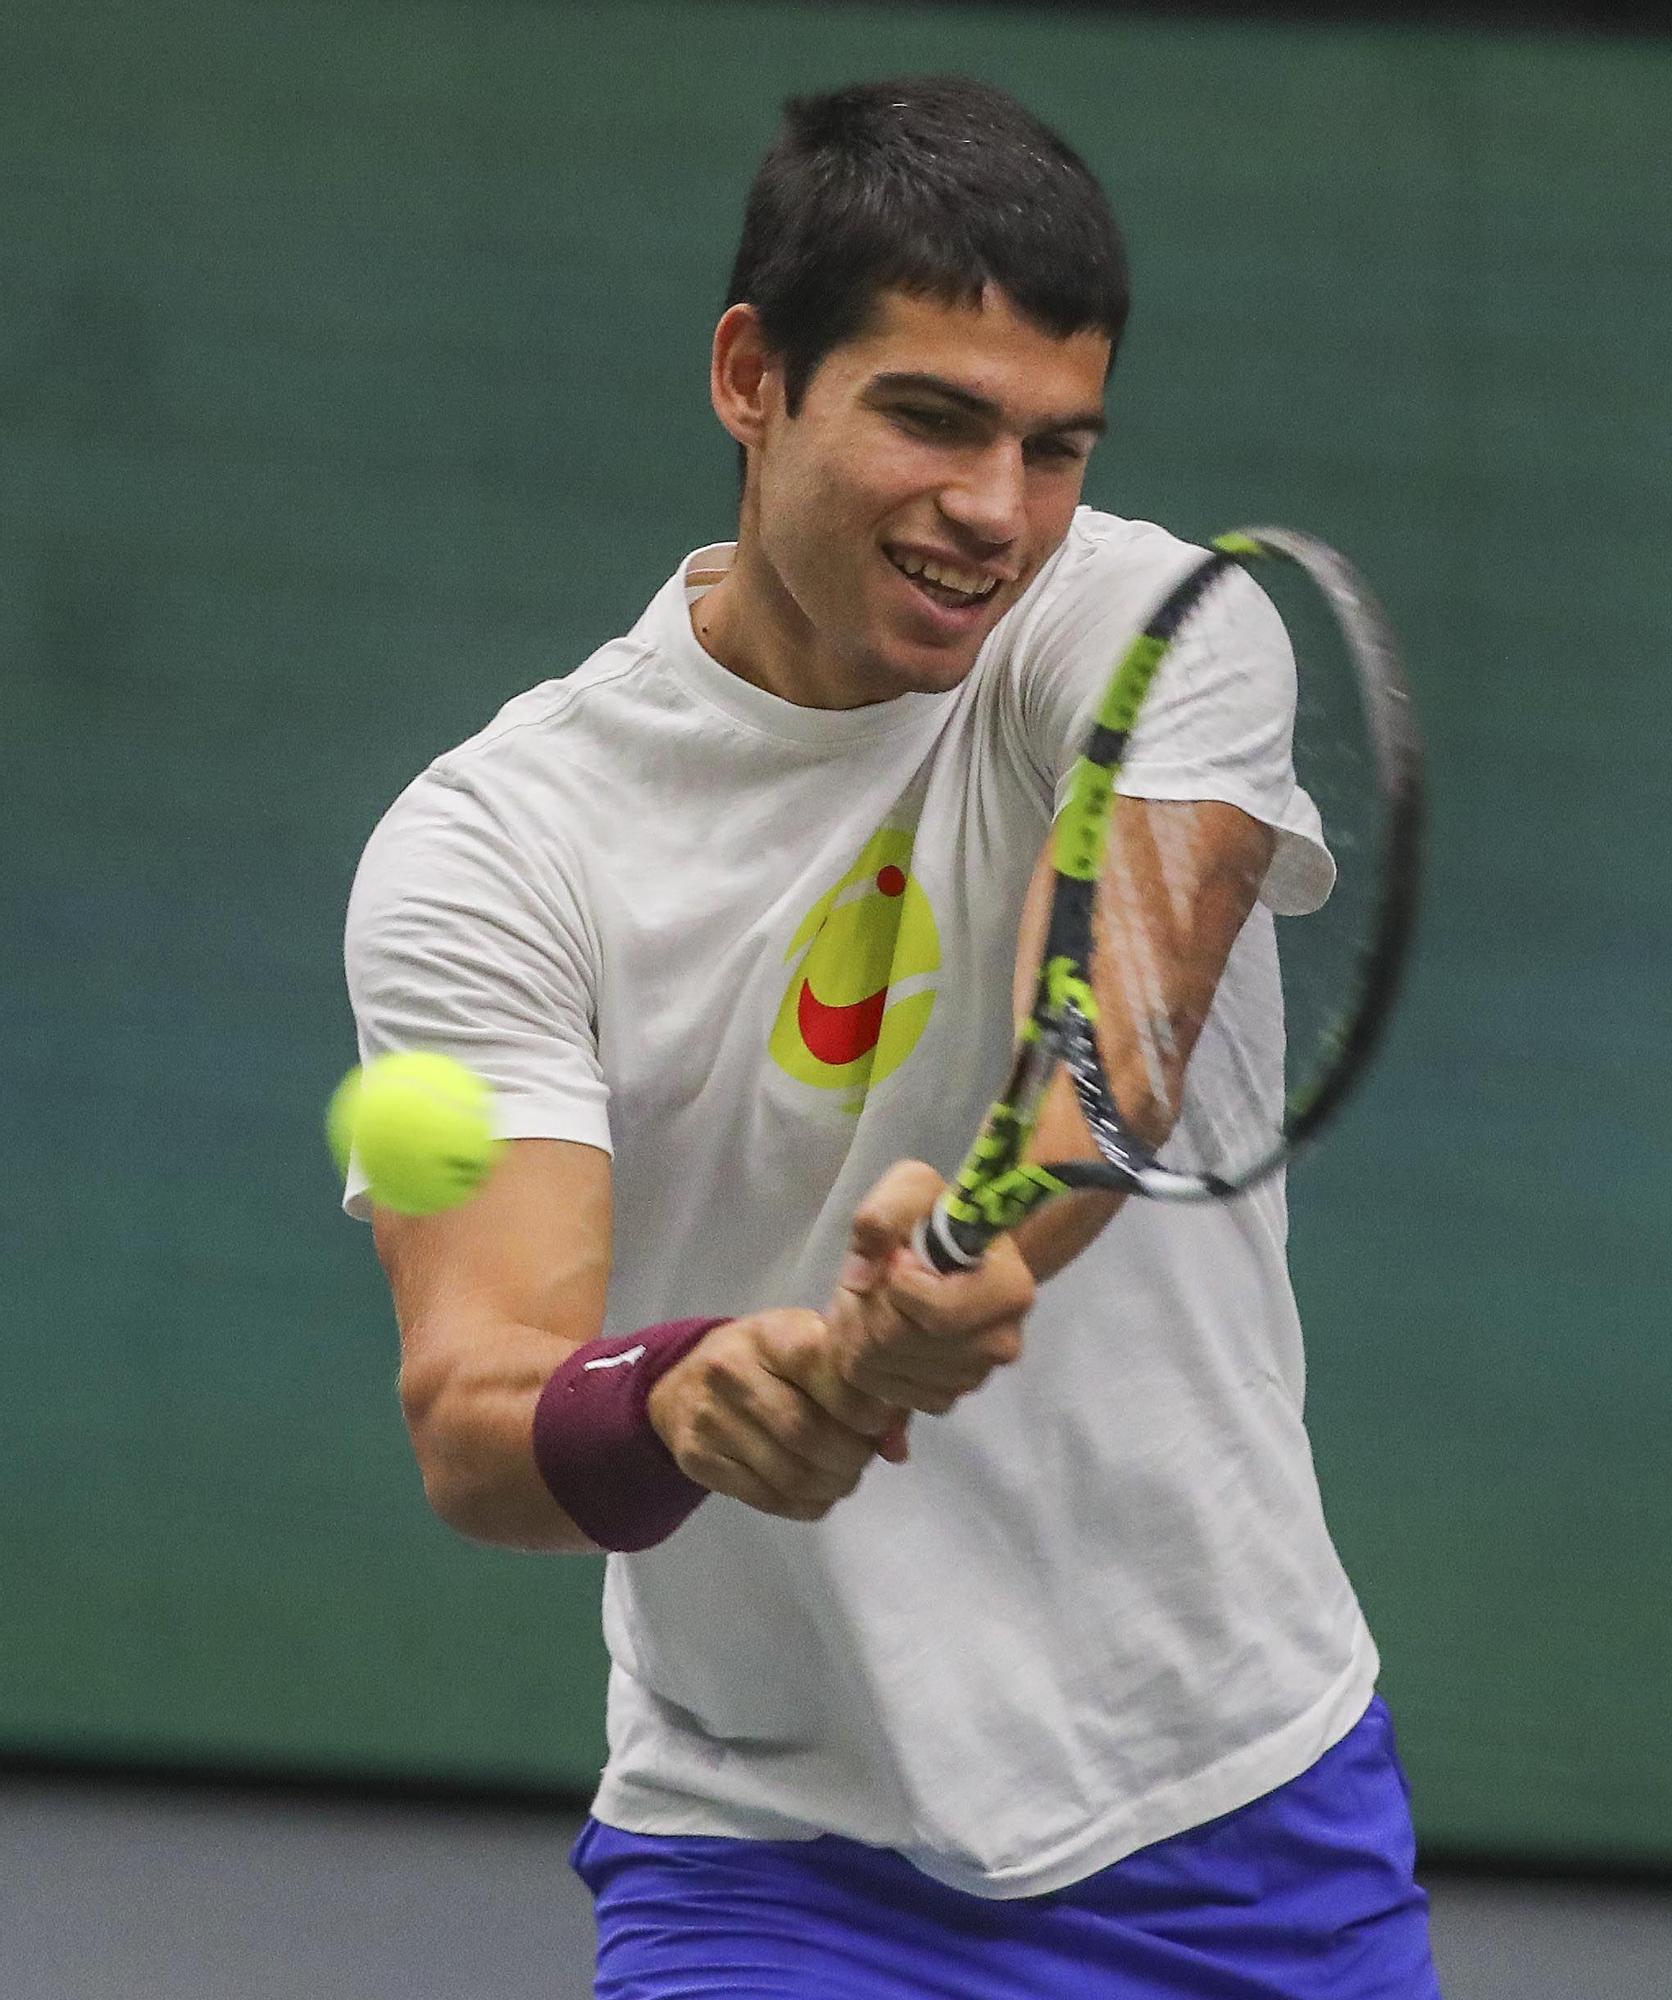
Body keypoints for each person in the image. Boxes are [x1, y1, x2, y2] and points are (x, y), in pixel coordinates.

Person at [343, 76, 1442, 2000]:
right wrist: (681, 1397)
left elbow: (1109, 1054)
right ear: (750, 376)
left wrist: (963, 1261)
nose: (995, 514)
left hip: (1241, 1811)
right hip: (770, 1862)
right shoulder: (494, 847)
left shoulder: (1162, 623)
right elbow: (472, 1421)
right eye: (931, 419)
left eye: (1054, 447)